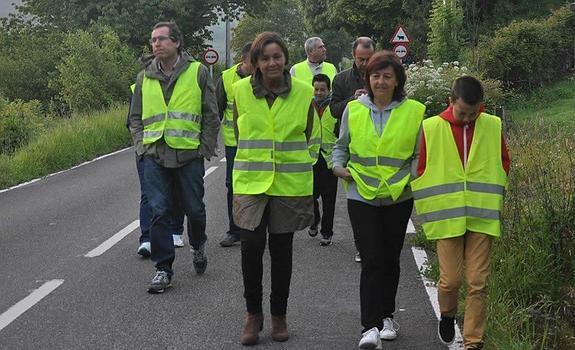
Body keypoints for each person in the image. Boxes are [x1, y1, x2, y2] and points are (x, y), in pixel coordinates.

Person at [331, 51, 425, 349]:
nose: (380, 81)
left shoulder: (414, 111)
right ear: (367, 79)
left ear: (397, 80)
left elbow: (419, 155)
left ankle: (387, 317)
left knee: (390, 259)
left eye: (387, 76)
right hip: (361, 193)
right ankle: (369, 326)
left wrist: (411, 177)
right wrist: (337, 166)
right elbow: (341, 146)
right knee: (371, 259)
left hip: (398, 196)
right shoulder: (353, 110)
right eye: (375, 76)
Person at [411, 76, 510, 350]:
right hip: (447, 217)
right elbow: (420, 169)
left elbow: (504, 161)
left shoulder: (492, 125)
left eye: (473, 113)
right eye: (462, 112)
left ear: (482, 106)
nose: (468, 119)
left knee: (478, 282)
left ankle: (473, 341)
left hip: (482, 215)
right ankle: (447, 314)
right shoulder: (431, 127)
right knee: (450, 280)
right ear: (450, 102)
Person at [232, 32, 316, 346]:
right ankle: (253, 314)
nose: (271, 63)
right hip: (251, 181)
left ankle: (279, 314)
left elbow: (309, 134)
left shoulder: (304, 93)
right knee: (251, 246)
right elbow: (238, 132)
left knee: (282, 251)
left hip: (289, 184)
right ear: (255, 62)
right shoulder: (240, 90)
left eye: (276, 57)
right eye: (264, 58)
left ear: (285, 59)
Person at [128, 21, 220, 293]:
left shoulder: (198, 72)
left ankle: (198, 245)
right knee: (159, 211)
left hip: (188, 155)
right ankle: (163, 269)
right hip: (154, 155)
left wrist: (205, 148)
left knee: (194, 208)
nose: (155, 44)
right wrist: (141, 146)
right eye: (153, 40)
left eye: (161, 39)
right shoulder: (144, 76)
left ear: (177, 43)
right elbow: (135, 117)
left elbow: (210, 115)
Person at [330, 36, 375, 263]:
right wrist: (352, 99)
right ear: (353, 57)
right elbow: (334, 110)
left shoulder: (383, 76)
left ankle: (377, 242)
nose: (365, 64)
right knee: (358, 201)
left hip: (377, 145)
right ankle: (362, 245)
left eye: (368, 59)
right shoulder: (341, 79)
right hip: (351, 145)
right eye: (360, 59)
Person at [128, 85, 186, 257]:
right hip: (148, 151)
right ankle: (146, 238)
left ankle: (175, 231)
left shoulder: (177, 82)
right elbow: (132, 120)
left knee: (175, 190)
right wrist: (141, 147)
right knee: (148, 193)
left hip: (175, 147)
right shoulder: (138, 86)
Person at [216, 42, 253, 247]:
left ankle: (256, 227)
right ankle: (234, 230)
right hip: (233, 143)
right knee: (233, 185)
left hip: (258, 142)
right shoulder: (226, 78)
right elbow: (216, 110)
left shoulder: (263, 78)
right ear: (243, 60)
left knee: (257, 186)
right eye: (252, 63)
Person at [309, 73, 339, 246]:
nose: (319, 93)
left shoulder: (334, 107)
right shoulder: (307, 105)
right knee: (310, 196)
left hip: (329, 158)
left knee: (329, 200)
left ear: (329, 90)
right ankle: (314, 220)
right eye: (316, 89)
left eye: (322, 89)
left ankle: (327, 232)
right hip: (311, 157)